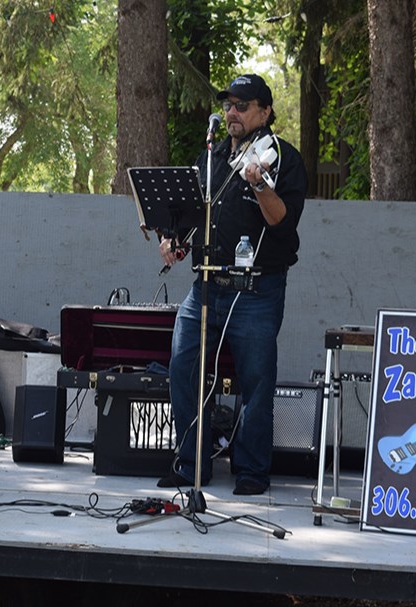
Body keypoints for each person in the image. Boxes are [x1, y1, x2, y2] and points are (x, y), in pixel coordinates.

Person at [158, 74, 307, 496]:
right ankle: (191, 464)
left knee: (257, 382)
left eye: (242, 105)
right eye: (228, 105)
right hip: (205, 286)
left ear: (265, 111)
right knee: (182, 367)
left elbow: (282, 220)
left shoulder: (283, 158)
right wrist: (174, 239)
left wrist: (259, 182)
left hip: (256, 291)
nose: (232, 113)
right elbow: (192, 213)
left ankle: (252, 470)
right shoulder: (212, 157)